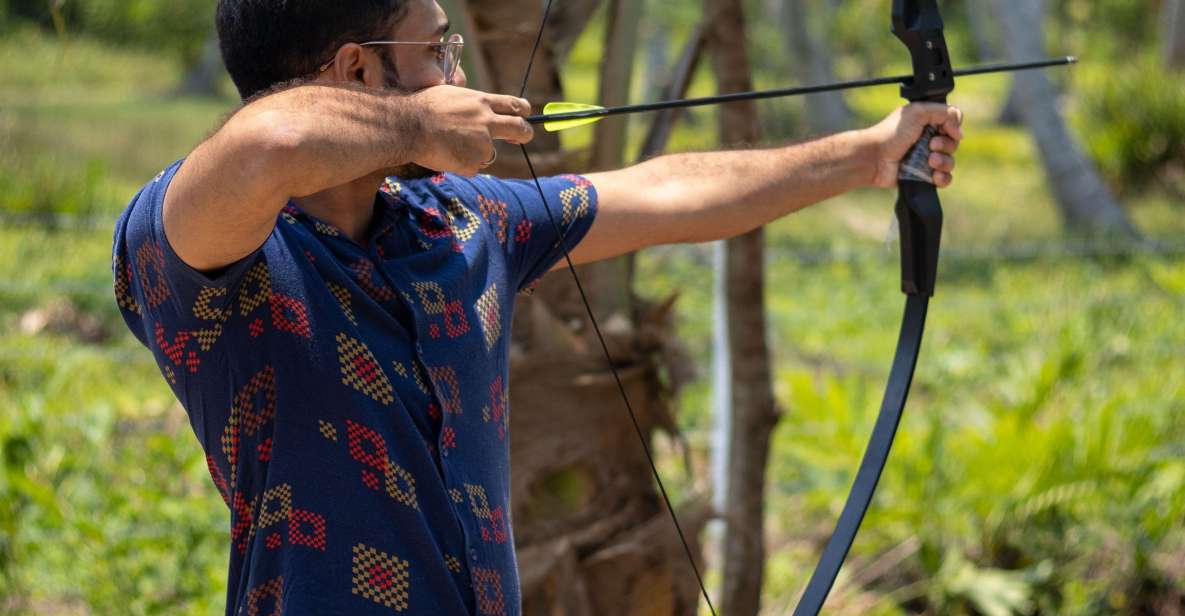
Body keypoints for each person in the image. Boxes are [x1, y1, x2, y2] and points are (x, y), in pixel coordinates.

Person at [110, 0, 963, 614]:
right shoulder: (200, 247)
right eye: (439, 51)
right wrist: (413, 123)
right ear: (358, 69)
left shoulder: (459, 220)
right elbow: (274, 141)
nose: (458, 76)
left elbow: (664, 192)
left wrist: (865, 155)